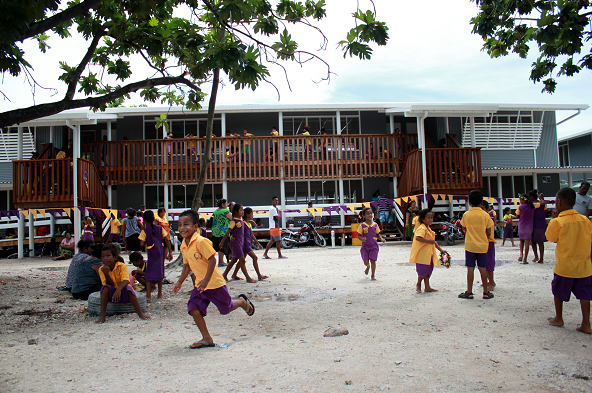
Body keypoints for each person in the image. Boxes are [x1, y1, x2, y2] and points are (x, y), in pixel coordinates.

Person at [171, 210, 255, 349]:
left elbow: (212, 259)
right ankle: (207, 338)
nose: (182, 228)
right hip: (200, 286)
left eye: (186, 224)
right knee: (193, 308)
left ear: (195, 226)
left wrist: (206, 280)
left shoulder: (200, 241)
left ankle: (241, 302)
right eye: (179, 224)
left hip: (214, 283)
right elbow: (186, 267)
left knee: (226, 309)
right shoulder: (184, 245)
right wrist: (179, 282)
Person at [545, 187, 592, 334]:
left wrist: (554, 219)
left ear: (558, 203)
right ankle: (586, 324)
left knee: (558, 290)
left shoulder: (558, 222)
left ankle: (559, 318)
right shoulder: (585, 220)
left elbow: (551, 238)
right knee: (585, 294)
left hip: (565, 266)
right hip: (584, 265)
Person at [96, 243, 150, 324]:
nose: (105, 259)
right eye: (103, 256)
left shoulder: (121, 266)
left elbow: (126, 280)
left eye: (108, 256)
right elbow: (107, 284)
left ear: (114, 257)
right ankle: (102, 315)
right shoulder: (101, 269)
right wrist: (106, 274)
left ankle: (140, 313)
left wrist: (119, 289)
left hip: (122, 290)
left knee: (128, 288)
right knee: (105, 288)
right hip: (111, 292)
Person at [458, 190, 494, 300]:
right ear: (481, 201)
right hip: (483, 245)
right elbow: (489, 230)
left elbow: (463, 227)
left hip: (470, 245)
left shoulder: (467, 214)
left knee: (470, 268)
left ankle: (469, 291)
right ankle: (486, 292)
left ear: (469, 202)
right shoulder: (485, 215)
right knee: (483, 268)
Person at [138, 210, 173, 302]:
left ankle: (148, 295)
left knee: (149, 272)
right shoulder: (160, 228)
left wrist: (146, 241)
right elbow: (166, 240)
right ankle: (159, 293)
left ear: (144, 220)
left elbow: (141, 243)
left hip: (152, 252)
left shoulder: (145, 230)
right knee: (160, 271)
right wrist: (170, 252)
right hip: (160, 251)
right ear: (154, 218)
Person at [220, 204, 257, 283]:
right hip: (236, 243)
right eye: (241, 210)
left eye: (243, 210)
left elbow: (245, 222)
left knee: (234, 260)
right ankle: (248, 278)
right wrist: (222, 242)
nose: (242, 212)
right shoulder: (234, 221)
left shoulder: (240, 220)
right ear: (236, 212)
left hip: (240, 243)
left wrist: (252, 221)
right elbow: (228, 232)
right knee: (242, 260)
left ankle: (224, 274)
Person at [410, 209, 444, 293]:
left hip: (429, 253)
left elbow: (433, 242)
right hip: (422, 254)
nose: (430, 219)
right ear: (422, 219)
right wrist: (429, 241)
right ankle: (418, 284)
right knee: (422, 270)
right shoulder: (422, 228)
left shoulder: (428, 229)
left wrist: (441, 250)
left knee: (428, 270)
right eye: (428, 218)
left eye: (431, 217)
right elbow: (418, 238)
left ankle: (427, 286)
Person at [232, 207, 266, 281]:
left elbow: (251, 235)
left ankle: (234, 274)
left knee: (241, 260)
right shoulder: (243, 223)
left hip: (248, 243)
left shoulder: (248, 223)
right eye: (251, 214)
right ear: (247, 215)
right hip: (245, 244)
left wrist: (258, 243)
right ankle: (258, 275)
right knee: (255, 257)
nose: (252, 215)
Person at [357, 207, 386, 281]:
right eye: (367, 214)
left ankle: (373, 275)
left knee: (373, 260)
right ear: (364, 216)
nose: (370, 215)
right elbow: (358, 235)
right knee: (365, 261)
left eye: (371, 213)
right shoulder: (362, 225)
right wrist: (362, 239)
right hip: (365, 246)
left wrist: (381, 239)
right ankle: (367, 266)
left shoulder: (375, 225)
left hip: (373, 245)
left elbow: (377, 234)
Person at [515, 194, 536, 264]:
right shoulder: (532, 206)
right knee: (527, 243)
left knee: (521, 241)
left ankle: (521, 254)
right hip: (529, 225)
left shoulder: (520, 207)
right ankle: (525, 259)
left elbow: (517, 216)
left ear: (523, 200)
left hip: (521, 224)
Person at [211, 199, 232, 267]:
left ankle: (221, 261)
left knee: (219, 247)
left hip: (215, 231)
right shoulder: (225, 211)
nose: (226, 205)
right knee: (222, 246)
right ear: (222, 204)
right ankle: (220, 262)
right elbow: (232, 218)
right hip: (223, 231)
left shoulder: (216, 211)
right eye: (226, 204)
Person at [481, 201, 497, 291]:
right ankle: (488, 280)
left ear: (487, 209)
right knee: (484, 263)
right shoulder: (483, 219)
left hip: (489, 243)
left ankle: (491, 282)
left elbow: (488, 234)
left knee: (489, 263)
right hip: (483, 242)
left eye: (483, 208)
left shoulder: (489, 220)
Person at [530, 191, 547, 263]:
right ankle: (541, 258)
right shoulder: (541, 203)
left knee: (534, 241)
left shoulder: (533, 204)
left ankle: (537, 257)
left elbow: (542, 203)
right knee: (540, 242)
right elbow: (544, 204)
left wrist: (540, 198)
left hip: (534, 223)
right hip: (541, 222)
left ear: (532, 197)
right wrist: (541, 198)